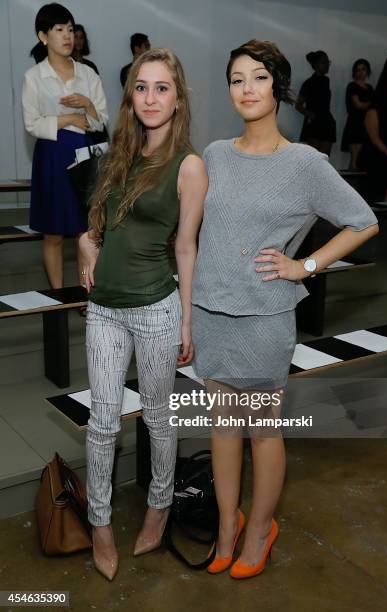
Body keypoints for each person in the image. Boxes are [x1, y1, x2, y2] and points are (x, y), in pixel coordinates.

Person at [191, 39, 379, 580]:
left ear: (278, 85)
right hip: (211, 309)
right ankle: (228, 525)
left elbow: (363, 221)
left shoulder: (304, 163)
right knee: (222, 427)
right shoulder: (215, 154)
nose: (246, 88)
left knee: (262, 430)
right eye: (236, 79)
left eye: (257, 77)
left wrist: (306, 266)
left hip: (265, 316)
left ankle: (259, 530)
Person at [79, 47, 207, 581]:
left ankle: (158, 507)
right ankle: (101, 523)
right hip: (103, 310)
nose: (150, 98)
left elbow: (186, 247)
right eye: (141, 87)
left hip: (156, 307)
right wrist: (87, 245)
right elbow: (100, 228)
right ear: (130, 98)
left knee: (157, 418)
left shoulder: (190, 165)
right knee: (102, 423)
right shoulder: (118, 156)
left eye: (162, 88)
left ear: (178, 100)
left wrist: (185, 320)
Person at [22, 3, 108, 289]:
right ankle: (58, 295)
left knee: (84, 230)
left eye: (70, 29)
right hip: (51, 155)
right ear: (43, 36)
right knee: (53, 234)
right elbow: (32, 123)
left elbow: (101, 122)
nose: (67, 35)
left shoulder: (88, 75)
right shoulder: (33, 77)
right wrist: (67, 118)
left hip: (83, 155)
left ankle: (85, 294)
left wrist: (87, 105)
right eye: (59, 30)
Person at [295, 50, 336, 155]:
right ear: (315, 65)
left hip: (327, 121)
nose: (327, 65)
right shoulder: (308, 83)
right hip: (315, 123)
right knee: (315, 158)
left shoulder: (327, 81)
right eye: (324, 62)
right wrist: (312, 116)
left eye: (328, 62)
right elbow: (298, 105)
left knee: (324, 159)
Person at [341, 59, 374, 170]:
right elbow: (358, 105)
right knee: (355, 161)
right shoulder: (352, 86)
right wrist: (374, 102)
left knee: (363, 160)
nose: (360, 73)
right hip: (356, 125)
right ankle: (351, 186)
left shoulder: (370, 88)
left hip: (367, 125)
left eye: (363, 70)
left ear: (367, 71)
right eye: (358, 70)